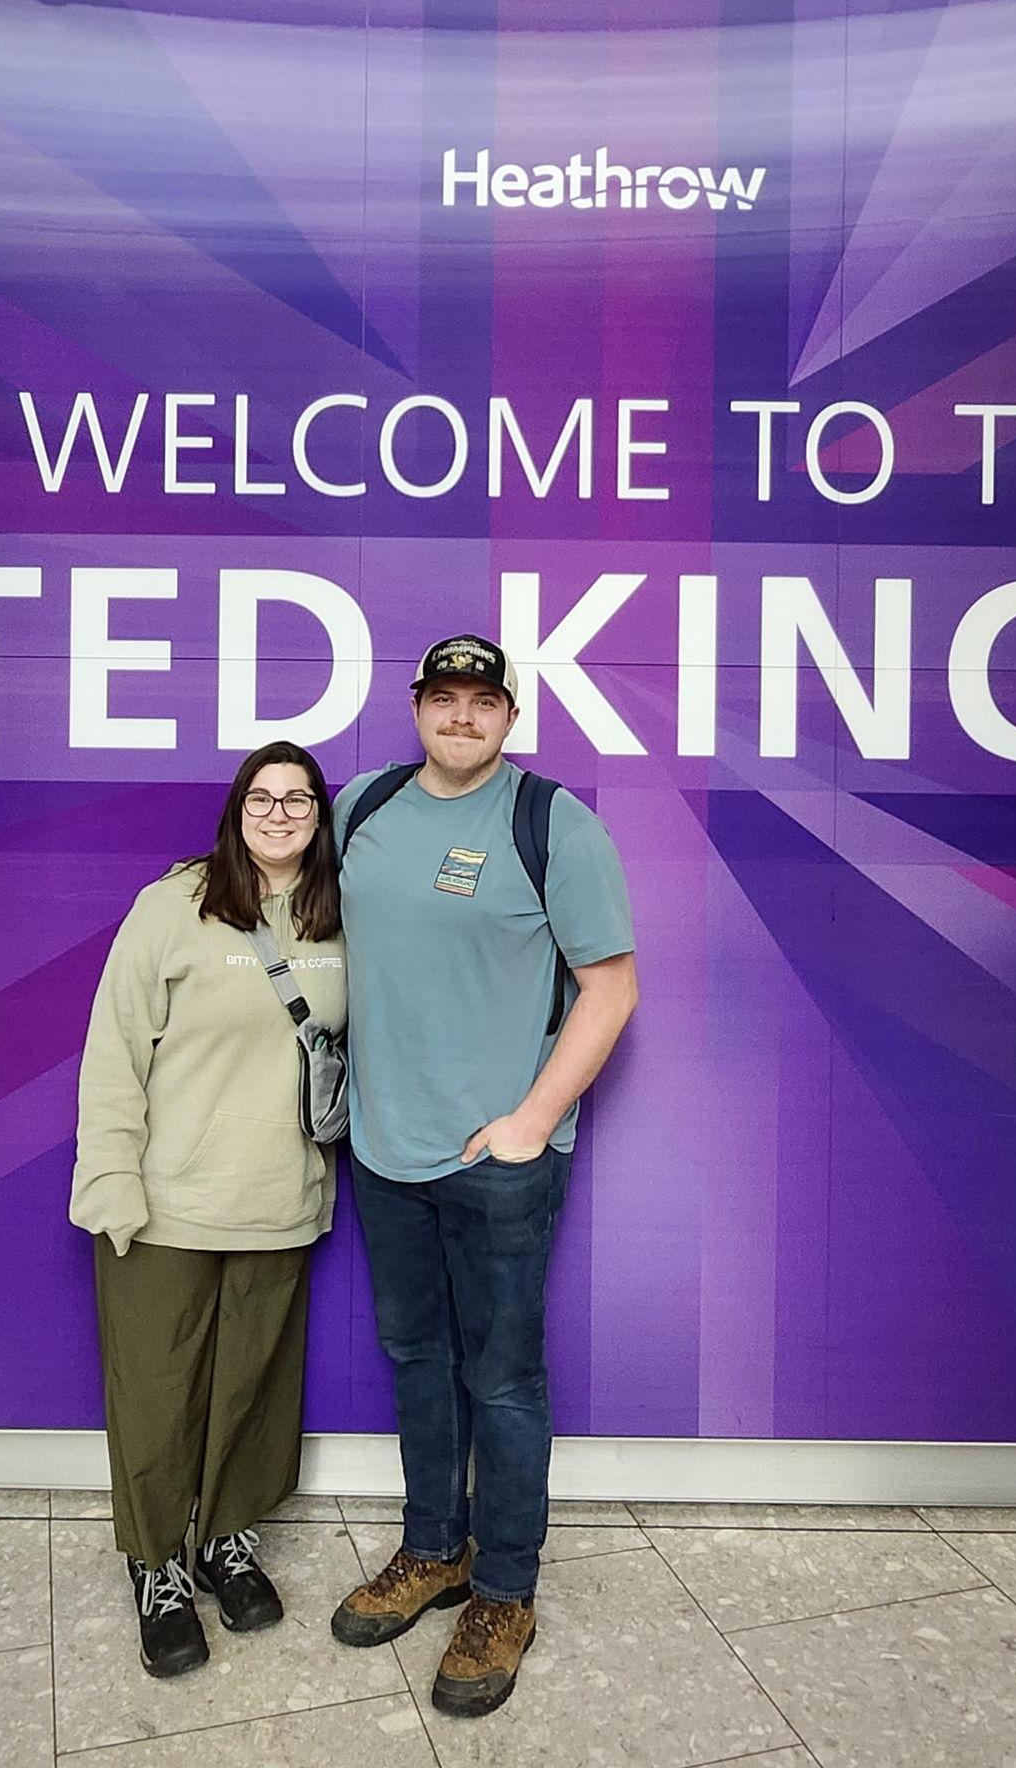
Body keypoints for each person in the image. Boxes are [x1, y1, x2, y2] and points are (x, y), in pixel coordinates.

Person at [328, 633, 638, 1717]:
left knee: (500, 1377)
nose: (460, 715)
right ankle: (432, 1549)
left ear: (508, 716)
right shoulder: (359, 804)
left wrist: (528, 1122)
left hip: (496, 1163)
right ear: (416, 706)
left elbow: (608, 985)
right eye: (443, 697)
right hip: (382, 1149)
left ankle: (504, 1587)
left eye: (482, 701)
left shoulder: (551, 821)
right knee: (415, 1353)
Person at [69, 741, 346, 1679]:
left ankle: (226, 1541)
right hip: (166, 1206)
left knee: (253, 1392)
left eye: (297, 798)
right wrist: (110, 1180)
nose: (279, 814)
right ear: (236, 811)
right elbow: (115, 1050)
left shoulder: (342, 919)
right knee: (156, 1394)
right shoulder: (173, 907)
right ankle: (156, 1568)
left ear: (319, 812)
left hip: (280, 1200)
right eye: (261, 799)